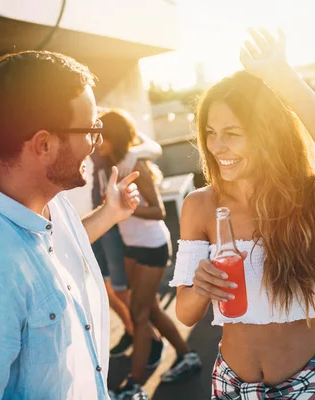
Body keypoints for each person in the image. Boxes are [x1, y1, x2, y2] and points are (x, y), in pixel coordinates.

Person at [170, 28, 315, 399]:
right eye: (211, 132)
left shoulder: (308, 195)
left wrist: (284, 78)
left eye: (233, 132)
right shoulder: (199, 205)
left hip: (313, 382)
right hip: (232, 386)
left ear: (266, 134)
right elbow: (185, 313)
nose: (218, 145)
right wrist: (200, 288)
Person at [0, 51, 142, 399]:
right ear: (44, 144)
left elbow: (52, 256)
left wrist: (109, 213)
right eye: (90, 129)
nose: (95, 142)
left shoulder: (46, 197)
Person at [99, 110, 203, 399]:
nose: (96, 142)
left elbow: (158, 210)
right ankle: (188, 357)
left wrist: (126, 210)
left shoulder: (135, 163)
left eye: (101, 136)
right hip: (132, 245)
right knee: (152, 310)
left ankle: (135, 386)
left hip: (152, 245)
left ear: (113, 137)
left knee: (139, 315)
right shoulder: (110, 162)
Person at [90, 127, 163, 360]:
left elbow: (153, 146)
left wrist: (133, 153)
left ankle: (147, 339)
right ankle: (134, 330)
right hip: (91, 218)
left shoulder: (100, 118)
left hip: (112, 224)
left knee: (127, 292)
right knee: (106, 286)